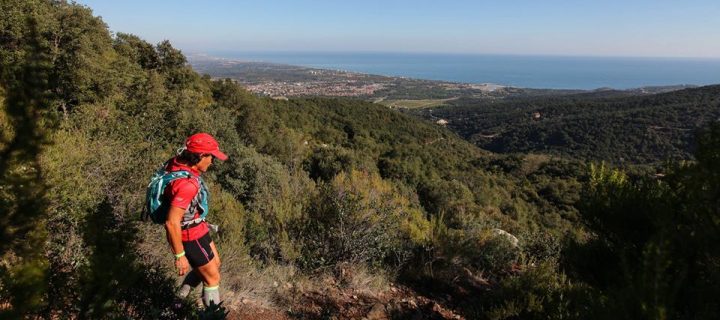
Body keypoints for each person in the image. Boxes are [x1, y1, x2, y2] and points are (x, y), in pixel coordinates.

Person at [163, 133, 228, 307]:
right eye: (211, 157)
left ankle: (177, 302)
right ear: (200, 156)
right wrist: (179, 256)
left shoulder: (177, 162)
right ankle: (213, 316)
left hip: (198, 227)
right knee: (212, 277)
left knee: (216, 264)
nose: (212, 162)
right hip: (190, 235)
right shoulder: (186, 185)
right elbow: (171, 222)